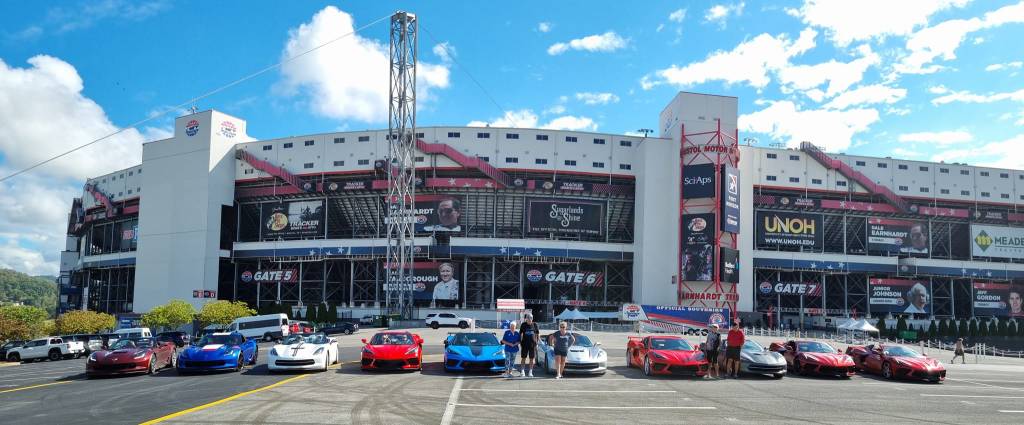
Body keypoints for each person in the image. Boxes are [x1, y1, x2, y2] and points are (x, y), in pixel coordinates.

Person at [519, 313, 540, 377]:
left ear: (532, 318)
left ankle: (530, 372)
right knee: (523, 358)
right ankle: (522, 371)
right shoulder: (523, 325)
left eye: (531, 318)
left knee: (531, 358)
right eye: (528, 318)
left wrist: (537, 343)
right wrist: (520, 343)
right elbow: (520, 334)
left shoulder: (535, 324)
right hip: (524, 344)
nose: (529, 319)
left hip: (532, 345)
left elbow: (537, 334)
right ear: (526, 319)